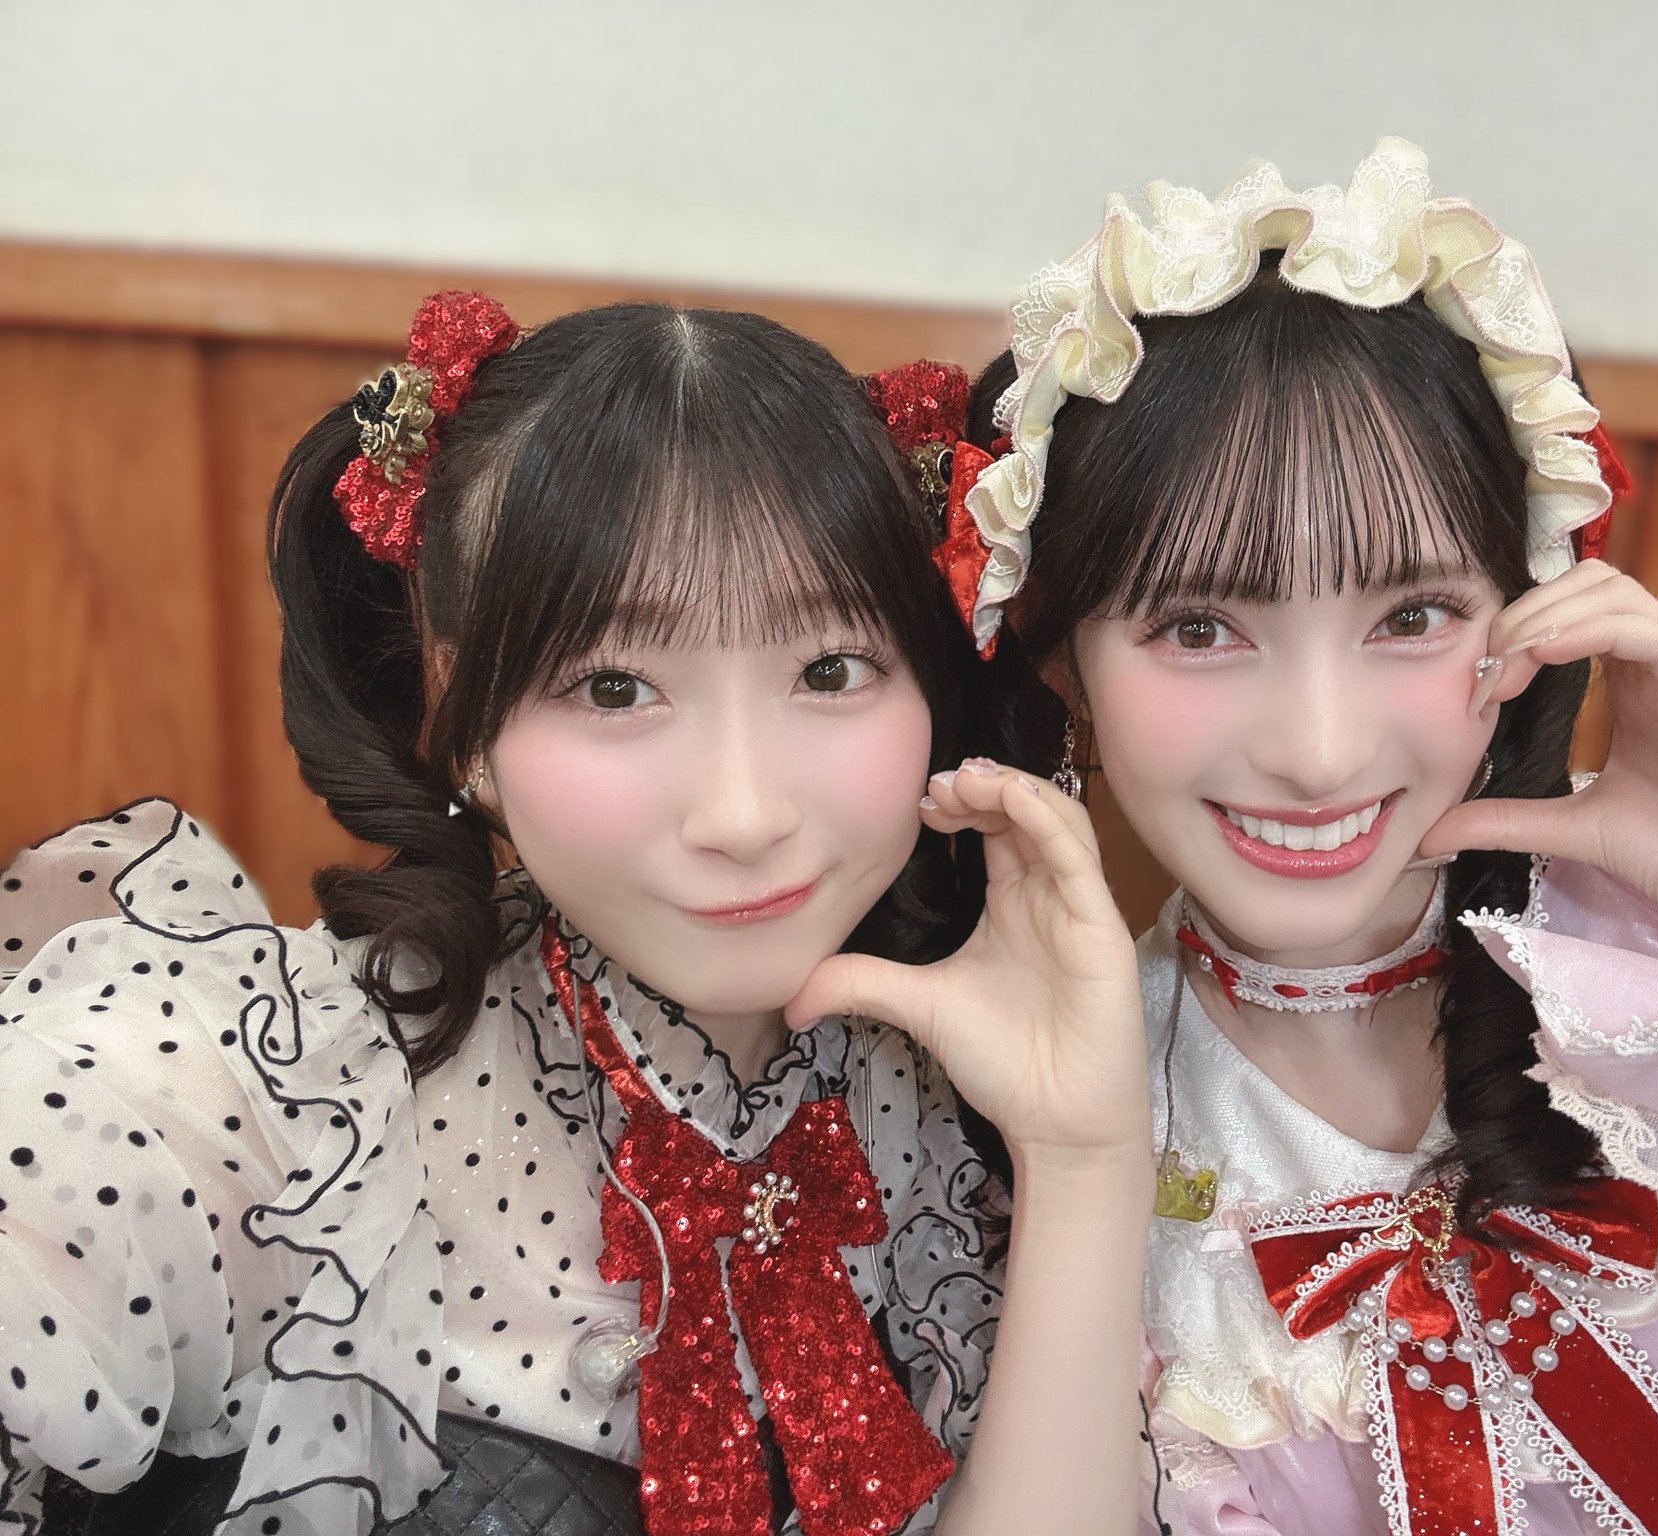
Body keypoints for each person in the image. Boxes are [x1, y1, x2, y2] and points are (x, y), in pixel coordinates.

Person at [926, 143, 1658, 1533]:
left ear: (1532, 618)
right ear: (1060, 661)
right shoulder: (1038, 1105)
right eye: (1200, 628)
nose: (1318, 749)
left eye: (1411, 617)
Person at [0, 294, 1153, 1535]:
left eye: (829, 671)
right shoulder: (257, 1093)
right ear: (458, 718)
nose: (743, 813)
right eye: (613, 688)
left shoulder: (934, 1109)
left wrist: (1080, 1159)